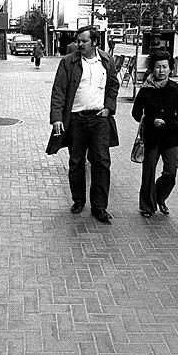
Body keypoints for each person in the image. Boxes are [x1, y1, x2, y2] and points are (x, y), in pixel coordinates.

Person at [50, 25, 120, 223]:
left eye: (84, 41)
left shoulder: (106, 60)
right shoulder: (68, 62)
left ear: (95, 42)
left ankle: (99, 207)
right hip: (76, 120)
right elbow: (59, 90)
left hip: (99, 119)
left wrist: (109, 107)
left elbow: (113, 85)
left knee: (102, 162)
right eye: (78, 40)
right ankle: (78, 200)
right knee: (76, 162)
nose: (79, 44)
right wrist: (57, 117)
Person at [131, 50, 178, 218]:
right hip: (151, 138)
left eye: (164, 67)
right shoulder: (145, 90)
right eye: (158, 67)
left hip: (170, 138)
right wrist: (151, 120)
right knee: (148, 172)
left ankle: (160, 196)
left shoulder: (175, 88)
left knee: (171, 171)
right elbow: (136, 113)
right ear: (152, 69)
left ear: (170, 69)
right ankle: (147, 206)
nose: (161, 70)